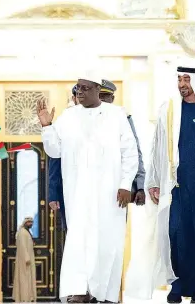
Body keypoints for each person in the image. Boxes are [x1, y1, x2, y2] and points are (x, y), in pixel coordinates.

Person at [130, 64, 195, 303]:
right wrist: (154, 180)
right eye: (179, 79)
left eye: (186, 79)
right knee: (175, 235)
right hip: (174, 187)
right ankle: (176, 285)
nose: (182, 85)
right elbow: (157, 147)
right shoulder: (168, 110)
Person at [37, 72, 138, 303]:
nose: (79, 93)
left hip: (110, 193)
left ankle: (102, 293)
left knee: (107, 242)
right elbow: (55, 151)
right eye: (77, 89)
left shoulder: (117, 115)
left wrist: (125, 185)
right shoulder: (68, 117)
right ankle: (79, 290)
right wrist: (47, 126)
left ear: (97, 89)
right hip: (78, 193)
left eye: (84, 88)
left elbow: (130, 153)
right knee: (78, 241)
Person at [99, 80, 146, 205]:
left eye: (105, 97)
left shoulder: (123, 118)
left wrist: (140, 186)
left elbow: (134, 153)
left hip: (117, 188)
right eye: (99, 97)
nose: (102, 101)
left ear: (112, 98)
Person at [47, 85, 79, 230]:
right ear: (74, 98)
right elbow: (55, 158)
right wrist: (53, 194)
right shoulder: (65, 121)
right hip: (70, 188)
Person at [13, 216, 37, 302]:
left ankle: (28, 296)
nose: (31, 224)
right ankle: (24, 297)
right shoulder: (22, 232)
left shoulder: (26, 232)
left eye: (32, 222)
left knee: (27, 278)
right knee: (24, 278)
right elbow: (22, 246)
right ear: (25, 223)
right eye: (29, 222)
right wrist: (26, 258)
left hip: (28, 258)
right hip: (24, 260)